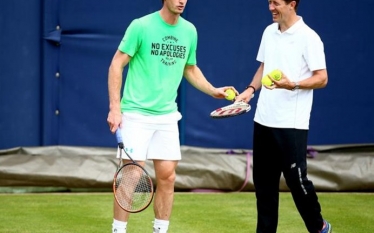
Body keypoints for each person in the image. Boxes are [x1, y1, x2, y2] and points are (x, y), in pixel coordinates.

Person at [106, 0, 237, 232]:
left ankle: (161, 230)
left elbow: (190, 67)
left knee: (168, 177)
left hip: (167, 116)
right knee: (132, 176)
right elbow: (117, 64)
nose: (182, 1)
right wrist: (115, 107)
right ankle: (118, 230)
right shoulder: (141, 26)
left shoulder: (189, 31)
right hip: (136, 113)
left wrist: (212, 89)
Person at [235, 0, 332, 232]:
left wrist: (293, 84)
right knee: (264, 185)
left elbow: (322, 78)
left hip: (291, 124)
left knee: (297, 182)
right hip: (263, 120)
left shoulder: (309, 37)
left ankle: (319, 227)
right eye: (269, 2)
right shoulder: (269, 32)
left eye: (276, 2)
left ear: (292, 4)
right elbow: (264, 67)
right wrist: (249, 90)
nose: (270, 7)